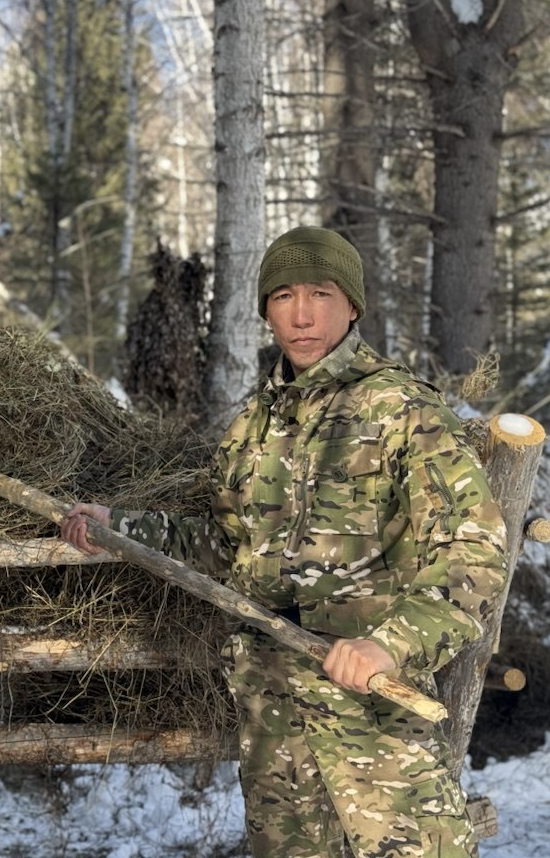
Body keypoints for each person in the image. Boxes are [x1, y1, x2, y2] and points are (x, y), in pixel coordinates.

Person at [61, 226, 507, 858]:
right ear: (266, 309)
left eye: (321, 294)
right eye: (284, 296)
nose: (301, 314)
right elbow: (227, 548)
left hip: (373, 727)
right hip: (273, 725)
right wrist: (121, 527)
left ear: (352, 305)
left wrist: (388, 646)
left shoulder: (403, 409)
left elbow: (473, 554)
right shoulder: (252, 427)